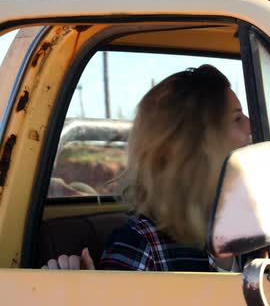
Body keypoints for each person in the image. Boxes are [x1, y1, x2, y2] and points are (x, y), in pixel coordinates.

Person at [42, 65, 251, 271]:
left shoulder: (256, 226)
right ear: (194, 146)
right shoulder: (142, 245)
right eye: (237, 118)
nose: (251, 125)